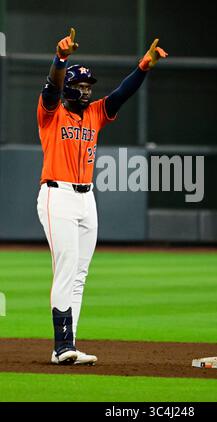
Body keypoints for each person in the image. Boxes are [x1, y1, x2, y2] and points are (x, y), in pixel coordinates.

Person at [37, 28, 167, 365]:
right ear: (67, 87)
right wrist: (60, 58)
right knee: (66, 269)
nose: (85, 90)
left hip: (86, 199)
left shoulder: (95, 113)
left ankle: (69, 344)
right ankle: (61, 345)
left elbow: (121, 95)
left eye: (88, 86)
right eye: (79, 86)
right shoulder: (51, 113)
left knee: (80, 274)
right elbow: (51, 86)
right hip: (56, 194)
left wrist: (143, 66)